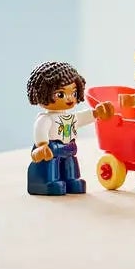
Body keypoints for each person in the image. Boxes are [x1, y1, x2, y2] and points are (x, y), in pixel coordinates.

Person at [27, 61, 111, 196]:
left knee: (70, 162)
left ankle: (71, 180)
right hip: (52, 149)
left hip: (69, 148)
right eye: (61, 94)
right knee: (52, 164)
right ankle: (50, 181)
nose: (69, 99)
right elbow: (40, 131)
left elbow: (83, 117)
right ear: (43, 93)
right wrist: (42, 145)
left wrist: (97, 113)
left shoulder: (71, 117)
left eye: (74, 93)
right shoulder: (45, 118)